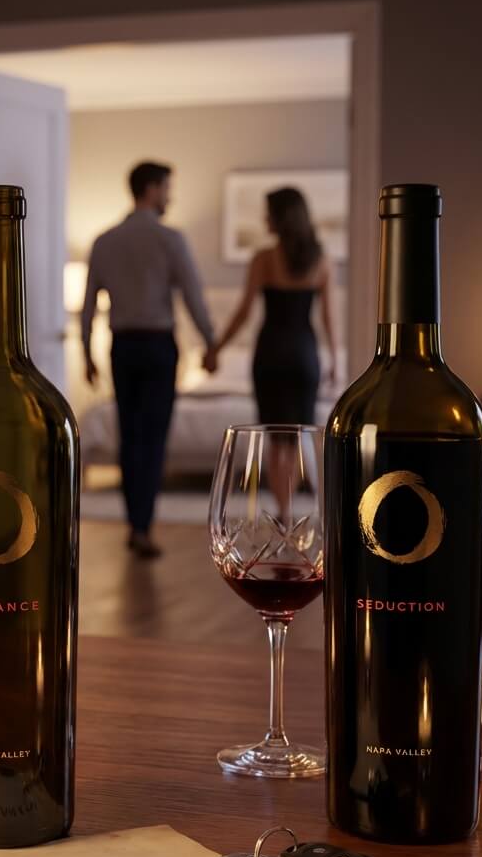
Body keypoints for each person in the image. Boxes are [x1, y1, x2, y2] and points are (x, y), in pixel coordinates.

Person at [81, 161, 217, 559]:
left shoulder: (104, 241)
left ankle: (134, 522)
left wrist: (87, 354)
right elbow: (192, 295)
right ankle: (144, 524)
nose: (170, 197)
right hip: (158, 347)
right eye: (167, 189)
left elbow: (89, 305)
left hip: (122, 347)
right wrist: (210, 343)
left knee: (129, 434)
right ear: (152, 189)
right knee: (154, 437)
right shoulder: (170, 239)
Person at [205, 186, 337, 516]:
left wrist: (215, 348)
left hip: (272, 354)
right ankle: (293, 509)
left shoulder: (264, 259)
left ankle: (284, 511)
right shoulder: (321, 260)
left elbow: (243, 312)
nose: (265, 219)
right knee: (295, 438)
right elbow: (328, 317)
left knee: (275, 438)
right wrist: (333, 358)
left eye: (269, 213)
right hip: (304, 354)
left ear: (281, 217)